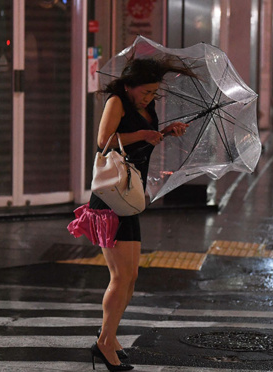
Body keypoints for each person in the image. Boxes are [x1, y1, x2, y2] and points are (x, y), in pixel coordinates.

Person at [70, 57, 196, 371]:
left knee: (132, 277)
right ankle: (103, 343)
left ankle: (109, 337)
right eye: (145, 92)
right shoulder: (117, 102)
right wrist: (143, 134)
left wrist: (165, 132)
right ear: (129, 86)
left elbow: (140, 145)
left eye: (154, 93)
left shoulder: (145, 109)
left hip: (128, 196)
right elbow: (104, 143)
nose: (149, 98)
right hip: (111, 198)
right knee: (120, 276)